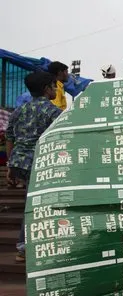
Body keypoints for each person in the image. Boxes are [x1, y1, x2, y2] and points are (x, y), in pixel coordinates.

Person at [5, 72, 62, 262]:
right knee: (35, 206)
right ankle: (24, 247)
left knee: (33, 203)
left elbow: (10, 138)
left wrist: (10, 166)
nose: (56, 90)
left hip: (18, 162)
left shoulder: (19, 110)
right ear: (46, 89)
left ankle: (30, 244)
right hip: (38, 163)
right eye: (54, 87)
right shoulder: (52, 111)